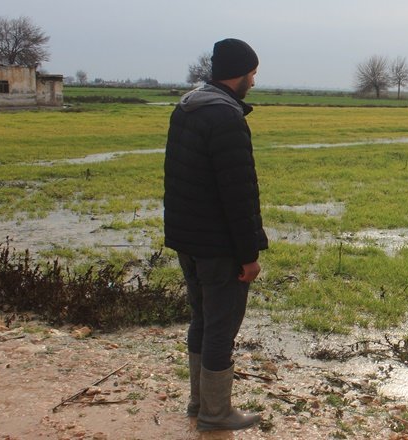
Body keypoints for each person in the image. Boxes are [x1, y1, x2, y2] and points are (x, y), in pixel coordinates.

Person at [163, 38, 268, 432]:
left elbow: (178, 179)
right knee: (221, 328)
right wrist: (249, 255)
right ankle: (216, 413)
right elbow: (238, 195)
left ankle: (199, 403)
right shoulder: (226, 118)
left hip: (188, 241)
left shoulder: (186, 108)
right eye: (252, 74)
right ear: (239, 74)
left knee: (202, 321)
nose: (253, 82)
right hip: (219, 247)